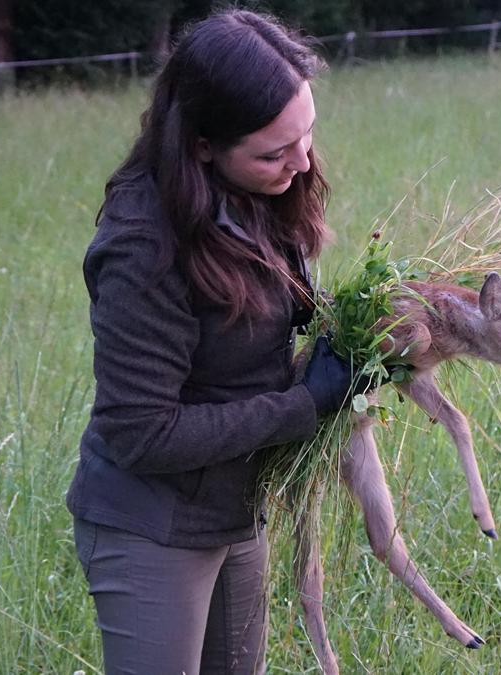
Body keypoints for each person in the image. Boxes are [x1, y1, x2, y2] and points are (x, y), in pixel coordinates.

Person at [66, 9, 359, 674]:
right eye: (274, 151)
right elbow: (142, 432)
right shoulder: (145, 245)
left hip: (236, 506)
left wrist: (360, 339)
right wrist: (301, 404)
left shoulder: (259, 194)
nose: (303, 160)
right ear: (201, 145)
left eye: (306, 134)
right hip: (153, 526)